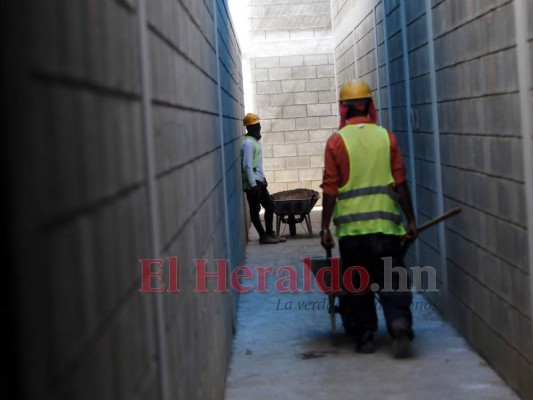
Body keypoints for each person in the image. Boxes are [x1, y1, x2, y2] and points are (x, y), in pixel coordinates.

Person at [320, 80, 418, 358]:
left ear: (343, 109)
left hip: (352, 234)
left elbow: (330, 188)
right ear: (369, 105)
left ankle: (365, 336)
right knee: (392, 281)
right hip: (387, 230)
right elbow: (400, 182)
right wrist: (410, 220)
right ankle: (399, 324)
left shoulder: (336, 142)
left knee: (358, 285)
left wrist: (325, 226)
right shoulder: (387, 138)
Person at [241, 113, 286, 245]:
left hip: (258, 181)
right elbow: (247, 165)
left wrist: (263, 178)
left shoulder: (254, 141)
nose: (259, 127)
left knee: (270, 205)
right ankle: (263, 237)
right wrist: (253, 185)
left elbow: (257, 164)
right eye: (257, 125)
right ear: (251, 128)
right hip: (253, 183)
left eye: (259, 125)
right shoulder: (249, 143)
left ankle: (269, 234)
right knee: (255, 210)